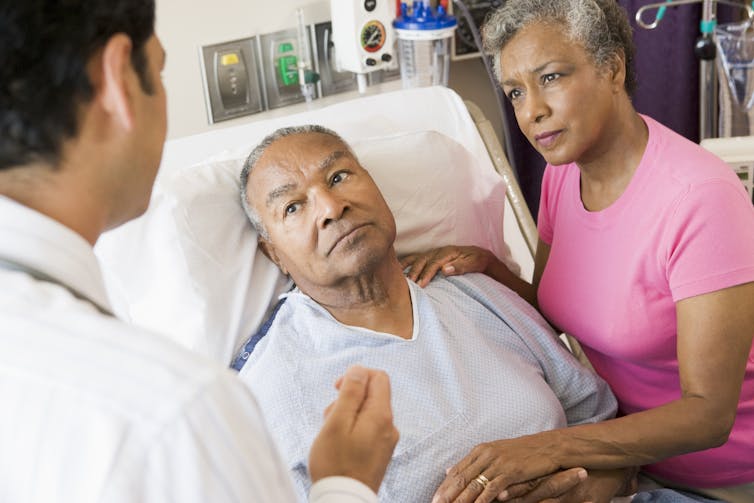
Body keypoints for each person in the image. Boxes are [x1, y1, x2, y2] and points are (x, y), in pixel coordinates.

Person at [0, 2, 399, 502]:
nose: (330, 208)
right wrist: (345, 486)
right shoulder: (177, 413)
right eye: (161, 69)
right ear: (119, 78)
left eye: (339, 177)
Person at [399, 1, 754, 502]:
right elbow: (560, 311)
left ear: (612, 68)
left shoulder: (698, 199)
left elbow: (708, 415)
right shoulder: (564, 174)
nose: (531, 112)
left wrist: (551, 448)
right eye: (516, 92)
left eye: (551, 78)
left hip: (725, 477)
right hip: (627, 457)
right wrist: (491, 269)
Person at [236, 124, 643, 502]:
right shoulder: (273, 392)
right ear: (274, 254)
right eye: (292, 207)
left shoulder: (473, 290)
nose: (330, 206)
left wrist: (582, 492)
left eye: (339, 177)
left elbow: (607, 433)